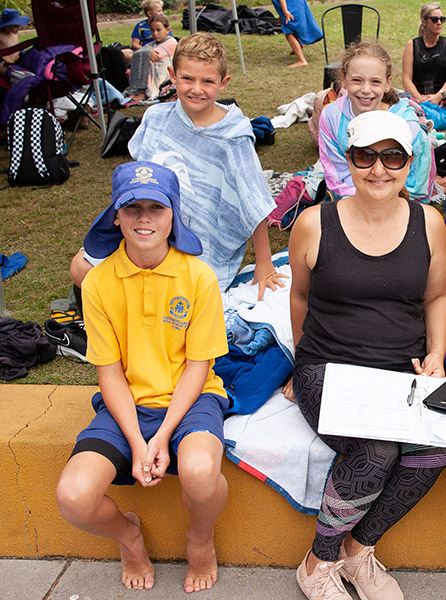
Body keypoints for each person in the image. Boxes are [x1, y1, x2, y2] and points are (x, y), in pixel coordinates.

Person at [287, 110, 446, 600]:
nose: (378, 169)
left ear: (410, 164)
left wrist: (438, 355)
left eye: (392, 156)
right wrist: (302, 360)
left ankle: (358, 552)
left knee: (434, 448)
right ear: (348, 159)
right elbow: (299, 296)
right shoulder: (314, 223)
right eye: (366, 156)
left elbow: (438, 296)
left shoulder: (429, 223)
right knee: (376, 450)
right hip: (327, 369)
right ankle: (318, 562)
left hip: (399, 371)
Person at [55, 161, 230, 594]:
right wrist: (138, 441)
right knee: (73, 497)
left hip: (191, 400)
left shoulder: (199, 276)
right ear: (115, 215)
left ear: (174, 215)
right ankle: (129, 537)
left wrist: (163, 434)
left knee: (200, 470)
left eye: (157, 207)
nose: (145, 218)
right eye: (132, 208)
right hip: (125, 405)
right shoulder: (97, 283)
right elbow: (109, 373)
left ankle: (201, 539)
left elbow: (198, 366)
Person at [70, 32, 282, 313]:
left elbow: (254, 201)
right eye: (187, 79)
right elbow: (137, 181)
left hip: (201, 247)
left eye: (207, 81)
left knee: (183, 300)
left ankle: (129, 305)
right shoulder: (156, 118)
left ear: (223, 83)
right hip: (147, 231)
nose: (197, 89)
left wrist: (265, 263)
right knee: (79, 269)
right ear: (172, 75)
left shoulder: (234, 136)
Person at [318, 40, 435, 203]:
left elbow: (418, 184)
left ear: (387, 83)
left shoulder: (408, 127)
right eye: (357, 80)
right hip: (352, 201)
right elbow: (336, 173)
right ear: (343, 80)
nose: (366, 90)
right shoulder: (331, 117)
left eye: (375, 82)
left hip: (398, 205)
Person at [401, 2, 446, 107]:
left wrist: (439, 96)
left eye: (442, 19)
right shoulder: (412, 45)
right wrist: (419, 98)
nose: (439, 23)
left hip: (443, 98)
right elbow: (406, 79)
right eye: (435, 19)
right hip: (417, 98)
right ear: (424, 21)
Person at [124, 14, 177, 102]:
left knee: (151, 63)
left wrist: (147, 53)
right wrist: (148, 53)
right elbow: (138, 53)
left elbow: (157, 56)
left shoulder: (172, 42)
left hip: (165, 75)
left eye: (158, 30)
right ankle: (138, 90)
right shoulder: (153, 44)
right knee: (142, 57)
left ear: (167, 30)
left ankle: (144, 92)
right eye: (152, 30)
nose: (155, 33)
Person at [272, 0, 323, 68]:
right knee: (281, 20)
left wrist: (285, 11)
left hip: (291, 6)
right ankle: (298, 44)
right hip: (297, 3)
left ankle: (302, 60)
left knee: (289, 32)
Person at [0, 8, 30, 78]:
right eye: (16, 26)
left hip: (17, 63)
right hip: (4, 66)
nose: (19, 28)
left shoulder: (13, 34)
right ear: (6, 25)